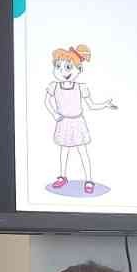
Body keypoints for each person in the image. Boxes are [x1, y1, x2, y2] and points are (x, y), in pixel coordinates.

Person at [44, 44, 117, 194]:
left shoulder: (80, 87)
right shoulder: (54, 86)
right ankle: (62, 177)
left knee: (82, 151)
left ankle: (88, 180)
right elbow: (46, 101)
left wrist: (105, 104)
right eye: (58, 67)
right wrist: (54, 114)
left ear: (79, 69)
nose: (63, 71)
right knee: (64, 150)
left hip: (77, 122)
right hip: (63, 122)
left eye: (68, 67)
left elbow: (91, 105)